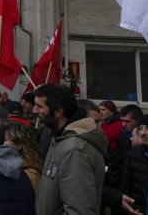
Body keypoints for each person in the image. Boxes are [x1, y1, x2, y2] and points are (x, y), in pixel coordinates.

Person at [34, 84, 108, 215]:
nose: (35, 110)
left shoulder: (74, 150)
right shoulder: (60, 139)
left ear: (58, 112)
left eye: (39, 106)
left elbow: (78, 210)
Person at [120, 113, 148, 215]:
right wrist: (129, 208)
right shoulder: (133, 155)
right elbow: (125, 187)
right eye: (140, 128)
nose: (142, 133)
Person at [4, 122, 42, 195]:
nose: (1, 143)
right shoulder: (4, 168)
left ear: (19, 145)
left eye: (5, 140)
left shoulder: (31, 175)